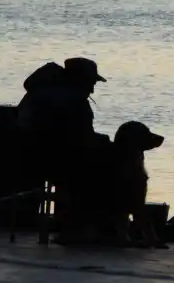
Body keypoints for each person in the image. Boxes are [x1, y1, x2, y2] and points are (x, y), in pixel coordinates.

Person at [16, 57, 110, 240]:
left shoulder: (40, 92)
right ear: (80, 80)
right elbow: (80, 138)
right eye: (91, 83)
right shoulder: (75, 102)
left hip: (26, 155)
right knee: (101, 169)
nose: (92, 89)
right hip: (54, 160)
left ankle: (69, 222)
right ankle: (77, 226)